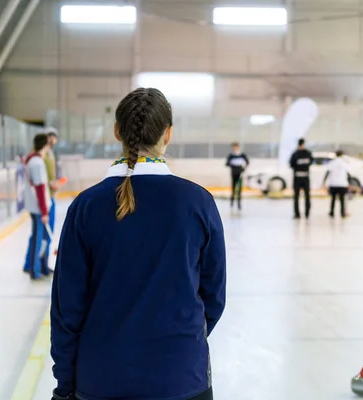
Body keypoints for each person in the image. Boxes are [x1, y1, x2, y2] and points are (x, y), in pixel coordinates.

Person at [50, 88, 226, 400]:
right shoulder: (198, 202)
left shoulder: (86, 207)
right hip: (181, 376)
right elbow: (213, 297)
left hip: (102, 378)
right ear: (168, 134)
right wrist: (179, 340)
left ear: (117, 130)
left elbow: (67, 310)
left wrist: (65, 388)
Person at [22, 133, 51, 280]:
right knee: (38, 239)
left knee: (38, 238)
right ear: (46, 145)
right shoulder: (37, 163)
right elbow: (40, 188)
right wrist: (45, 211)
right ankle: (35, 270)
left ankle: (39, 268)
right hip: (39, 208)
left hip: (36, 207)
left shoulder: (32, 161)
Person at [44, 128, 59, 270]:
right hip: (45, 199)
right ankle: (37, 265)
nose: (53, 139)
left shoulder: (50, 154)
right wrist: (50, 183)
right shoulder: (43, 155)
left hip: (50, 196)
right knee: (42, 235)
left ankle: (43, 264)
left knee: (47, 234)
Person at [289, 138, 313, 219]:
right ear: (303, 144)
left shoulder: (295, 154)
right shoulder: (308, 153)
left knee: (296, 196)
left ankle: (297, 214)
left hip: (297, 177)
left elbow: (291, 165)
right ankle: (307, 213)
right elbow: (311, 162)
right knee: (307, 196)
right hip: (305, 177)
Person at [323, 150, 349, 218]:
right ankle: (342, 213)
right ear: (342, 155)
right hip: (342, 184)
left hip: (333, 184)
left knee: (333, 199)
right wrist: (348, 182)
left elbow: (327, 173)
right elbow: (348, 174)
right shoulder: (344, 163)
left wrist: (324, 182)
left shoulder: (332, 163)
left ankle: (332, 212)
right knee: (342, 199)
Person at [225, 142, 249, 210]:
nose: (234, 148)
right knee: (233, 188)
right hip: (233, 173)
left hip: (240, 174)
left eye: (235, 147)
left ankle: (239, 203)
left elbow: (247, 162)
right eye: (233, 147)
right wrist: (232, 164)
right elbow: (227, 163)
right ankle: (232, 202)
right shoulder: (231, 155)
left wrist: (243, 168)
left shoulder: (242, 155)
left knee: (239, 188)